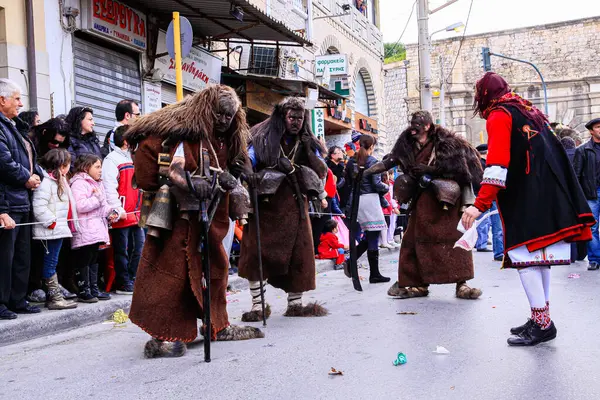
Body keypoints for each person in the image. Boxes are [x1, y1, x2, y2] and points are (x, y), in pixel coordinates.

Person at [126, 85, 263, 358]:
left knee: (216, 268)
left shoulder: (230, 136)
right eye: (219, 114)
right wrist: (188, 180)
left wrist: (233, 174)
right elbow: (152, 166)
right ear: (207, 110)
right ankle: (164, 335)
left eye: (229, 115)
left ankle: (216, 324)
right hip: (177, 217)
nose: (224, 120)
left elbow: (232, 165)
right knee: (171, 273)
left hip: (213, 215)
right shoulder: (182, 129)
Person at [462, 72, 594, 346]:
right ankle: (540, 318)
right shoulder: (528, 111)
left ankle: (543, 323)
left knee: (526, 260)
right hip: (547, 194)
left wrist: (479, 205)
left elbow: (497, 163)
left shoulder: (500, 114)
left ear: (484, 94)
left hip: (526, 198)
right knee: (538, 259)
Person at [366, 110, 483, 300]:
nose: (413, 128)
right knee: (412, 242)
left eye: (417, 125)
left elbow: (461, 172)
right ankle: (416, 284)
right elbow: (390, 162)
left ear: (427, 126)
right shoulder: (407, 144)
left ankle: (462, 284)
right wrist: (365, 172)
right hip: (421, 202)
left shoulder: (447, 143)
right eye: (412, 123)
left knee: (455, 242)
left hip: (447, 201)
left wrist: (430, 170)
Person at [238, 97, 328, 322]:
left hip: (295, 206)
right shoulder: (261, 136)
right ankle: (258, 305)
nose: (296, 122)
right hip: (266, 205)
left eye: (299, 118)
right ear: (282, 116)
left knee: (299, 255)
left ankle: (295, 303)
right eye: (291, 117)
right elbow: (247, 159)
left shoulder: (307, 140)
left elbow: (321, 170)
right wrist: (250, 176)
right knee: (257, 255)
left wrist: (308, 148)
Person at [0, 79, 42, 319]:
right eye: (16, 98)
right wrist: (27, 178)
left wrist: (37, 176)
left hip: (23, 199)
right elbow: (4, 162)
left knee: (22, 254)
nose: (21, 103)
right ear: (2, 100)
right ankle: (2, 302)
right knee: (5, 256)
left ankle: (18, 299)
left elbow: (30, 158)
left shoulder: (15, 126)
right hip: (7, 201)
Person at [32, 149, 78, 310]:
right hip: (50, 230)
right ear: (61, 166)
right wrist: (51, 222)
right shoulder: (46, 183)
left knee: (53, 262)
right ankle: (54, 298)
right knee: (50, 263)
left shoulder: (59, 181)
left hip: (57, 230)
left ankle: (54, 295)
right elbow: (39, 206)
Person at [102, 126, 144, 294]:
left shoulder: (135, 157)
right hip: (122, 213)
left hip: (136, 211)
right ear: (126, 141)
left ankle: (132, 278)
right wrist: (117, 208)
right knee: (122, 250)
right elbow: (109, 186)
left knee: (139, 247)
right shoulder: (111, 159)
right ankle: (123, 281)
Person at [70, 154, 117, 303]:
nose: (100, 170)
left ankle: (94, 289)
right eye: (97, 167)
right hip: (85, 229)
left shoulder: (97, 183)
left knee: (94, 258)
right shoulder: (79, 183)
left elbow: (102, 205)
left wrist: (111, 212)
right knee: (85, 258)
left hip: (96, 228)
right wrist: (96, 198)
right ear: (86, 167)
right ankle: (84, 291)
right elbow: (80, 206)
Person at [345, 134, 391, 283]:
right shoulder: (373, 161)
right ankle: (374, 274)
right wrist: (387, 188)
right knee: (373, 235)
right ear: (372, 146)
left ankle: (352, 262)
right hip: (370, 200)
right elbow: (377, 184)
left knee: (370, 234)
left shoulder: (351, 161)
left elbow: (347, 183)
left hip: (357, 200)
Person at [574, 117, 600, 270]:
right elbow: (576, 176)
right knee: (592, 227)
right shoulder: (582, 150)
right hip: (592, 193)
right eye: (598, 127)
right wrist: (578, 198)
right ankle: (595, 258)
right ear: (591, 131)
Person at [474, 144, 504, 261]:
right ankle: (498, 251)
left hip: (483, 196)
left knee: (485, 222)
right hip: (489, 196)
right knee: (495, 226)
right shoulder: (486, 165)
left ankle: (483, 244)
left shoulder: (478, 164)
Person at [380, 171, 401, 249]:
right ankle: (387, 240)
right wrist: (394, 207)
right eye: (391, 174)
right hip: (388, 207)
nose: (392, 176)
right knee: (388, 224)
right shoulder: (388, 185)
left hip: (389, 206)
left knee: (390, 224)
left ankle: (387, 240)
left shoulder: (390, 184)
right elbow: (390, 197)